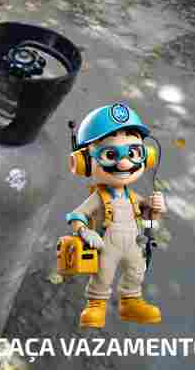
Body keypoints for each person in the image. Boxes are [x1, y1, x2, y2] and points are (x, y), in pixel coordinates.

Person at [66, 103, 167, 329]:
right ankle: (96, 305)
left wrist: (154, 211)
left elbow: (149, 223)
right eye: (110, 155)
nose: (124, 163)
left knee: (136, 271)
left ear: (147, 157)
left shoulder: (135, 198)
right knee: (103, 275)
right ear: (84, 162)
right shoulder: (98, 197)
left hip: (133, 243)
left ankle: (131, 302)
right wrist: (85, 231)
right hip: (107, 245)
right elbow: (77, 215)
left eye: (133, 153)